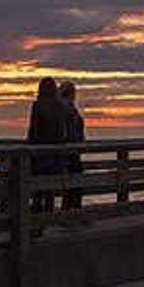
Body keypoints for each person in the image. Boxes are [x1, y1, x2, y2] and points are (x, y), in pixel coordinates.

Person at [26, 77, 70, 212]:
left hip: (39, 153)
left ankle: (36, 215)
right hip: (55, 154)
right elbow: (62, 132)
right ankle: (48, 215)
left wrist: (30, 148)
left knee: (37, 188)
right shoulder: (60, 107)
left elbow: (33, 131)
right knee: (50, 189)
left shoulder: (37, 105)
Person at [59, 81, 86, 210]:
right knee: (74, 185)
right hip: (70, 153)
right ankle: (72, 211)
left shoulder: (64, 108)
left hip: (68, 152)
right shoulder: (68, 109)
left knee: (72, 186)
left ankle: (69, 211)